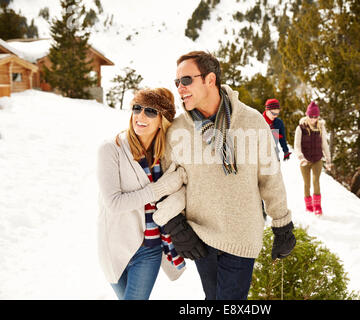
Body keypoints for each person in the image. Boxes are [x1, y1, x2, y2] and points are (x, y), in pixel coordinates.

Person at [162, 51, 296, 300]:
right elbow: (168, 184)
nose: (180, 88)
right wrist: (176, 226)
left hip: (242, 235)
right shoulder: (178, 130)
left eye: (187, 80)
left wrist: (282, 225)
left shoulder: (252, 121)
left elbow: (270, 177)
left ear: (210, 79)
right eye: (177, 82)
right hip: (200, 238)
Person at [96, 88, 187, 300]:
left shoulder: (166, 156)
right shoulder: (111, 149)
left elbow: (183, 188)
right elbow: (114, 203)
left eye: (150, 111)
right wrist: (158, 189)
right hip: (115, 246)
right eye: (137, 108)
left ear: (162, 120)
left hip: (150, 248)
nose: (140, 116)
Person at [294, 101, 332, 216]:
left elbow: (324, 144)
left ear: (318, 117)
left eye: (315, 117)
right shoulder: (300, 128)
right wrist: (301, 157)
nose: (313, 119)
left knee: (316, 181)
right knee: (307, 184)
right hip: (304, 160)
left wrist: (328, 160)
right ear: (307, 115)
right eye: (311, 116)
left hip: (317, 160)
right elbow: (297, 145)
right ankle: (308, 205)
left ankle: (317, 206)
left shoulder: (321, 128)